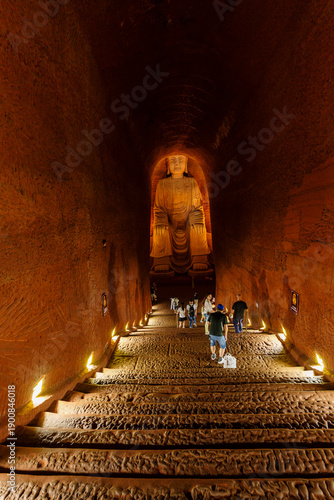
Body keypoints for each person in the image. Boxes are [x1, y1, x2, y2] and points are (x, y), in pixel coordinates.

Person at [150, 155, 211, 274]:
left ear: (186, 165)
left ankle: (199, 258)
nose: (177, 163)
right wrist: (162, 221)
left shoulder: (192, 182)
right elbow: (159, 209)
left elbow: (197, 208)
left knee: (198, 227)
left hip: (188, 222)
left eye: (180, 160)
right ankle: (162, 261)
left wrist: (196, 220)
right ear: (168, 166)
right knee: (160, 229)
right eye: (173, 160)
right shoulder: (162, 184)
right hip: (170, 223)